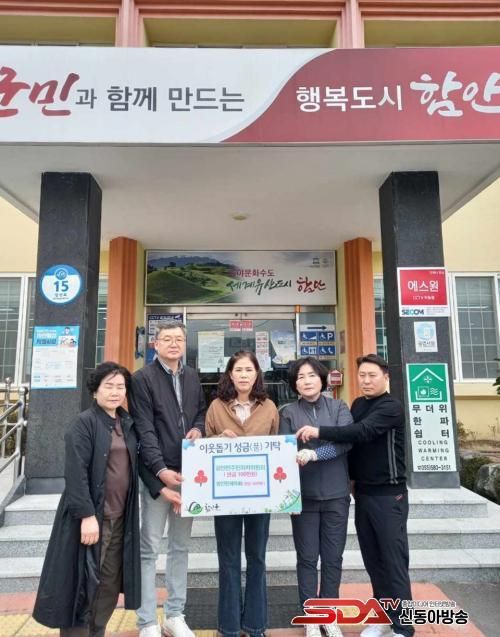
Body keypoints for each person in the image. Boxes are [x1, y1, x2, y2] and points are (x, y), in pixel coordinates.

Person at [33, 361, 162, 637]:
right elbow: (75, 473)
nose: (115, 392)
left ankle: (97, 631)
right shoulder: (84, 423)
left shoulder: (127, 423)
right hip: (92, 520)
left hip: (119, 519)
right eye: (109, 386)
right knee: (83, 583)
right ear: (95, 391)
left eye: (120, 387)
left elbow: (138, 465)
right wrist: (87, 516)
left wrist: (163, 488)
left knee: (108, 584)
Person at [296, 354, 414, 637]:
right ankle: (384, 618)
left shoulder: (391, 407)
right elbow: (355, 447)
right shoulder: (359, 404)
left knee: (393, 561)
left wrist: (318, 431)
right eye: (362, 375)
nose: (366, 380)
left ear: (386, 377)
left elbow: (360, 432)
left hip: (389, 496)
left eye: (372, 375)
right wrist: (350, 480)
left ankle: (403, 627)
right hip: (363, 493)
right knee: (374, 561)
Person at [129, 320, 206, 637]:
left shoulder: (192, 376)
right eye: (167, 339)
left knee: (180, 547)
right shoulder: (142, 379)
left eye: (179, 339)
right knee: (149, 548)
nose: (174, 344)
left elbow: (201, 411)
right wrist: (161, 472)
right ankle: (147, 620)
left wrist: (198, 428)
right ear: (155, 344)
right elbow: (144, 430)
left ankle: (175, 615)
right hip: (158, 477)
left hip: (189, 475)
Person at [205, 351, 279, 637]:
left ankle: (256, 625)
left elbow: (277, 447)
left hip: (261, 495)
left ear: (257, 373)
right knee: (228, 559)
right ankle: (229, 626)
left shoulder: (269, 407)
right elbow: (205, 446)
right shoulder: (216, 407)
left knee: (257, 558)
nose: (244, 375)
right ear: (230, 374)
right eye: (238, 370)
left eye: (249, 369)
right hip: (225, 495)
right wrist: (218, 439)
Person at [279, 357, 352, 637]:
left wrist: (315, 453)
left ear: (321, 379)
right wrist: (289, 497)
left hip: (336, 495)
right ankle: (310, 616)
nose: (306, 381)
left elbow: (346, 440)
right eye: (300, 377)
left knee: (333, 558)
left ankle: (328, 615)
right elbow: (283, 454)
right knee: (307, 558)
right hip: (304, 498)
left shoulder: (338, 407)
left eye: (311, 375)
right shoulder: (288, 413)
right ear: (294, 384)